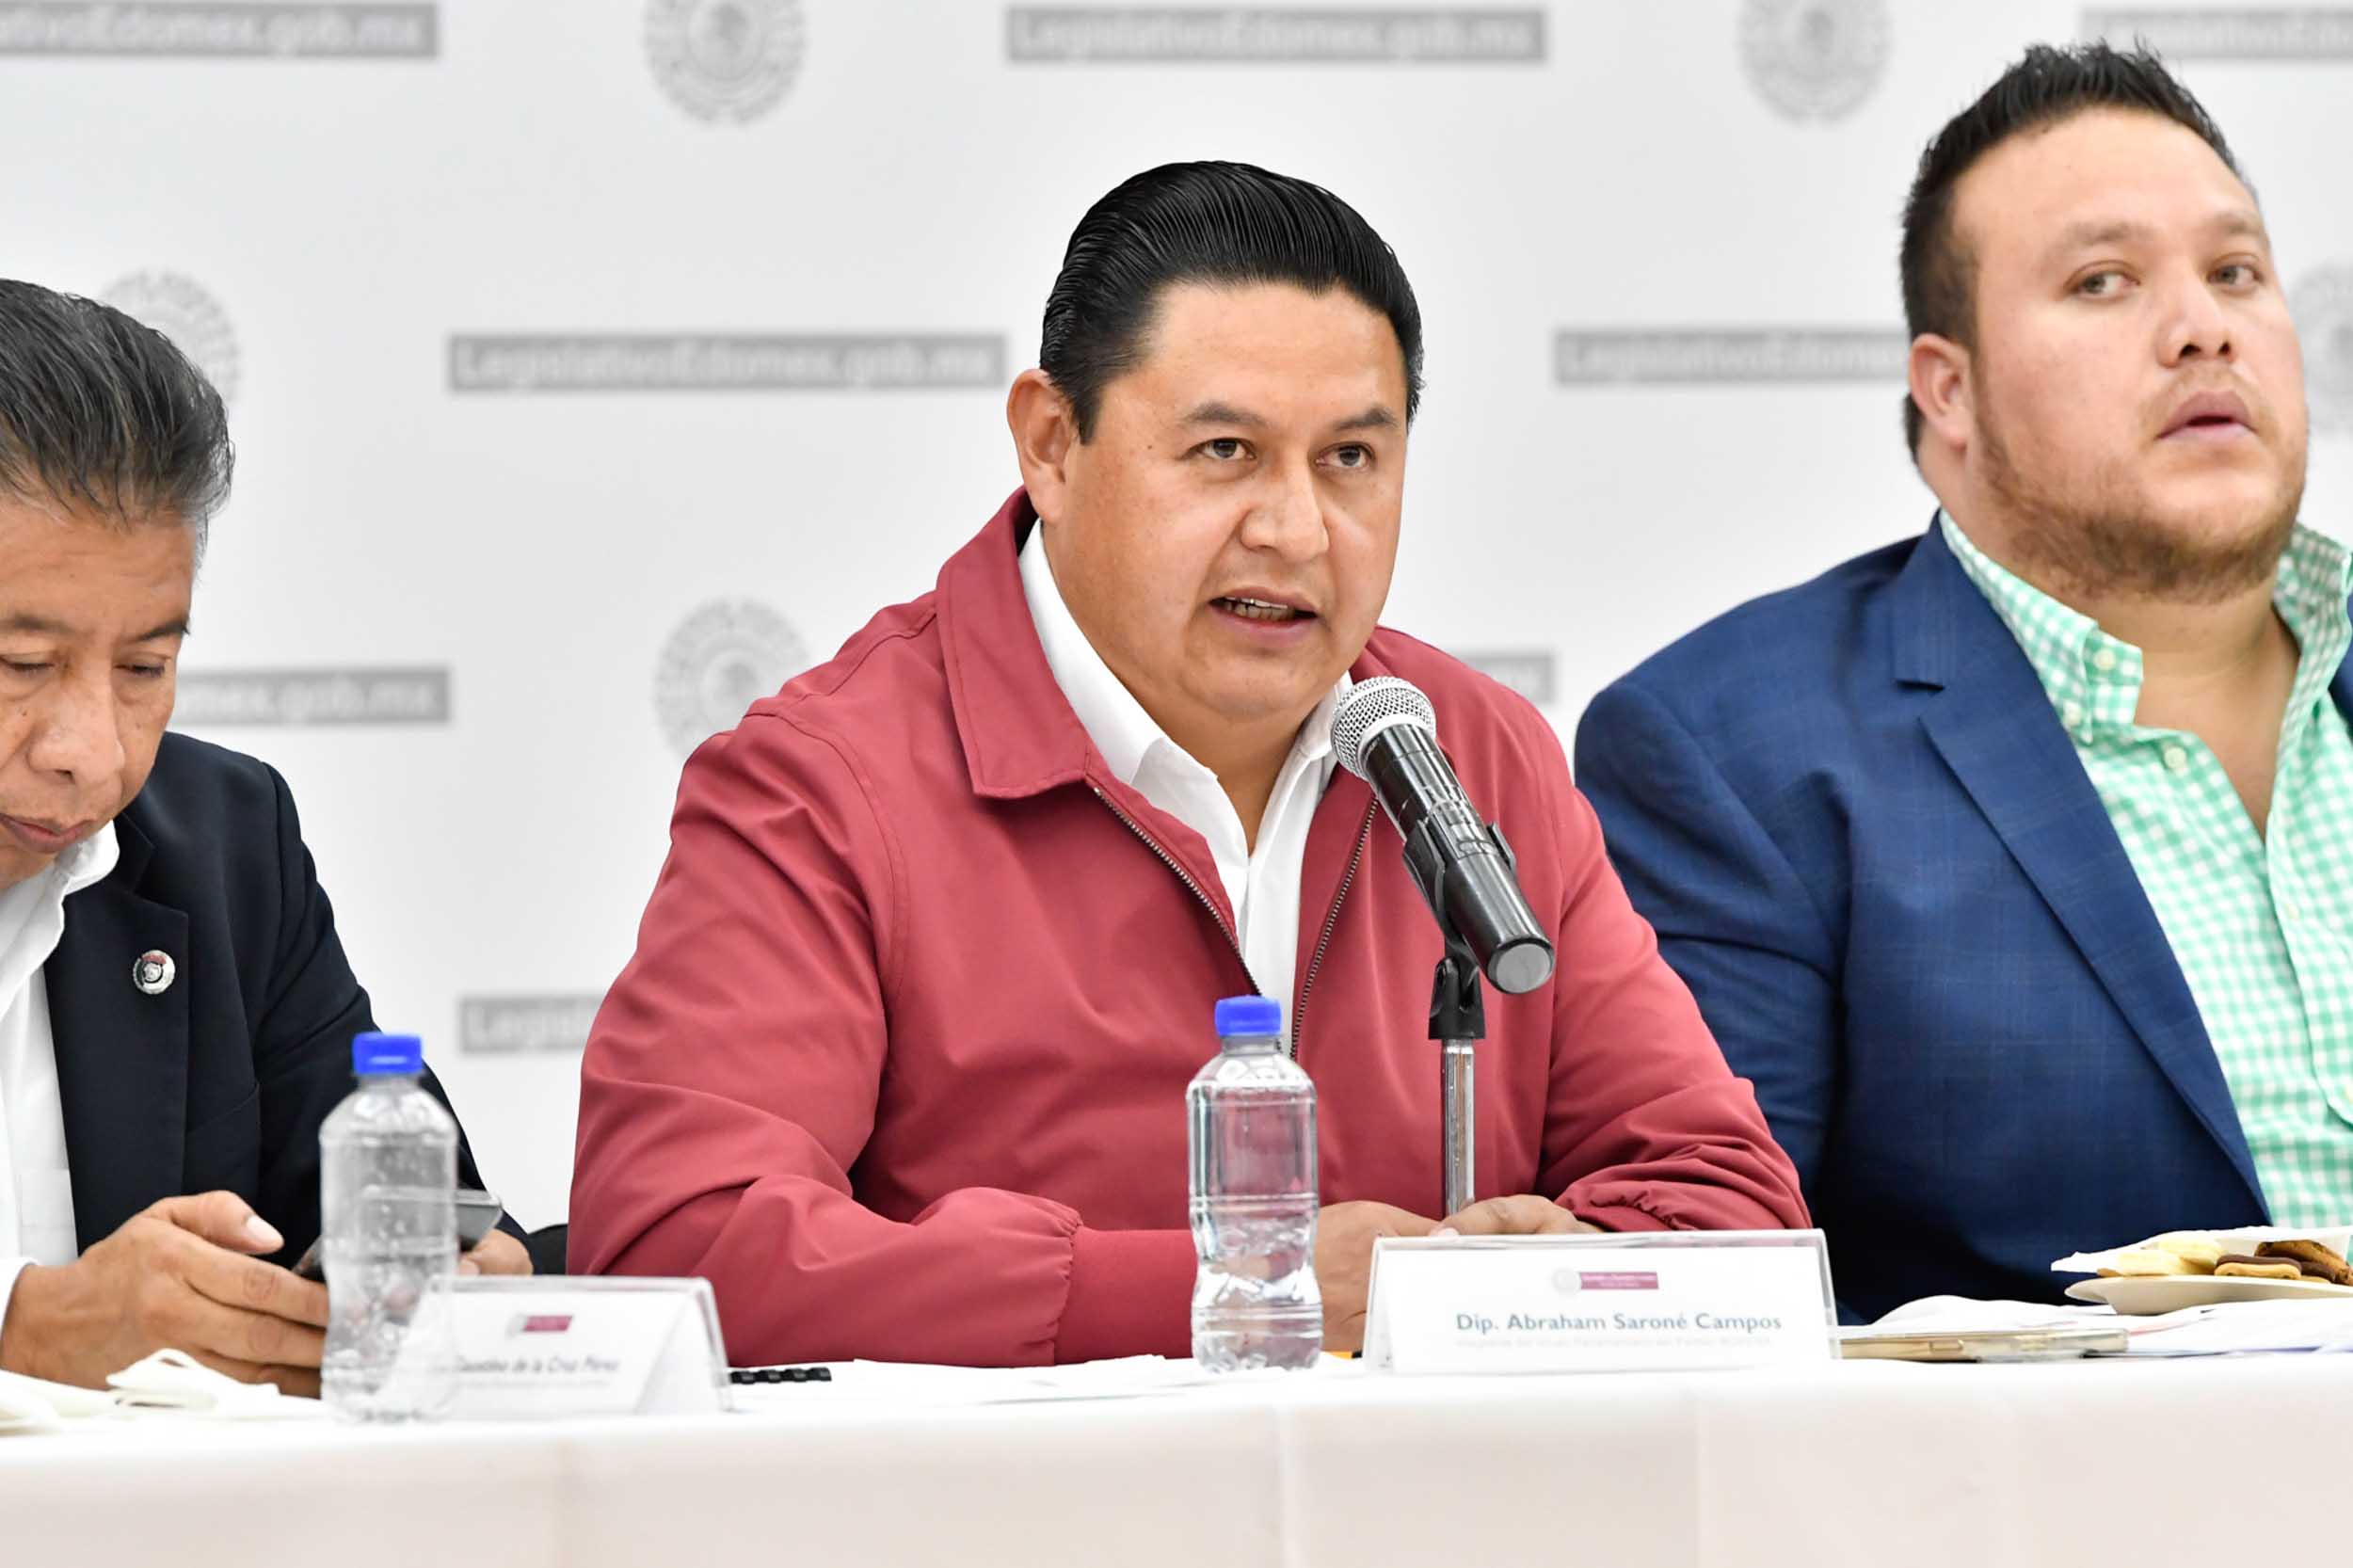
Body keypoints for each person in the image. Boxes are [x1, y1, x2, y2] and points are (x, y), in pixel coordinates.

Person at [571, 161, 1806, 1367]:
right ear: (1052, 443)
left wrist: (1558, 1279)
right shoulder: (828, 784)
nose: (1296, 529)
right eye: (1225, 451)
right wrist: (1233, 1289)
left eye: (1350, 460)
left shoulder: (1472, 754)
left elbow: (1731, 1203)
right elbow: (681, 1245)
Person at [1577, 44, 2332, 1320]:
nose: (2203, 326)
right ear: (1951, 391)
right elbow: (1708, 1301)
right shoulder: (1733, 753)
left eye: (2235, 272)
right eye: (2102, 281)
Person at [0, 280, 527, 1395]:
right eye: (22, 664)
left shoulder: (226, 846)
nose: (93, 753)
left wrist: (456, 1272)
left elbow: (406, 1203)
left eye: (145, 666)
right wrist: (20, 1327)